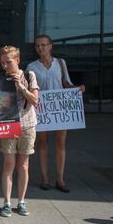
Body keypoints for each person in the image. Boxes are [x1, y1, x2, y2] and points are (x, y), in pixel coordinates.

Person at [27, 35, 85, 193]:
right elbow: (29, 88)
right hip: (42, 109)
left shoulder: (60, 63)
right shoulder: (31, 66)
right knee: (42, 143)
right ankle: (45, 179)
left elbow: (65, 82)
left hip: (59, 107)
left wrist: (76, 89)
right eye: (38, 45)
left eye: (44, 45)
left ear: (50, 46)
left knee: (61, 143)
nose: (41, 48)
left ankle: (60, 179)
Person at [0, 45, 40, 217]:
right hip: (9, 126)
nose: (5, 66)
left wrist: (21, 86)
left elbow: (35, 100)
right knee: (9, 164)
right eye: (2, 62)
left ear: (17, 61)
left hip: (27, 125)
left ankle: (21, 201)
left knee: (23, 165)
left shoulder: (29, 76)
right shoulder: (1, 80)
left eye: (8, 62)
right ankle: (7, 202)